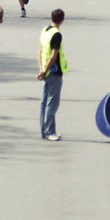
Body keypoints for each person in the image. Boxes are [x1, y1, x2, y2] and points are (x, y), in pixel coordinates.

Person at [37, 9, 67, 141]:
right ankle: (49, 131)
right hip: (54, 71)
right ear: (62, 20)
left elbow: (40, 51)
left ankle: (44, 130)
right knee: (52, 103)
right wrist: (45, 70)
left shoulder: (45, 31)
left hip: (45, 69)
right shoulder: (56, 35)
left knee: (44, 102)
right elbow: (54, 56)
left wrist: (41, 69)